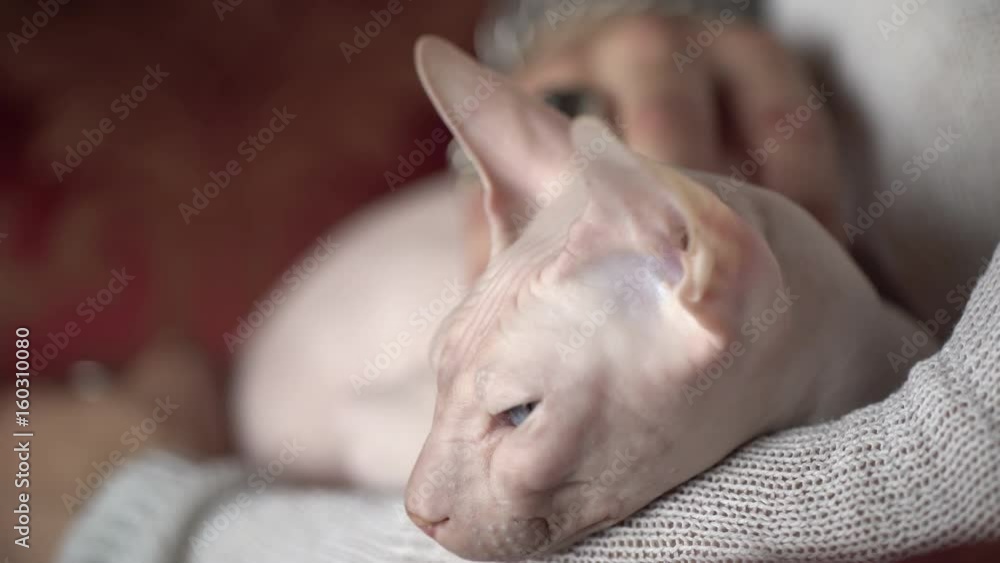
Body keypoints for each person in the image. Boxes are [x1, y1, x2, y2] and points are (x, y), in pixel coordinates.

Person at [8, 1, 998, 561]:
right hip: (298, 403)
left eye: (517, 414)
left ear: (700, 273)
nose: (422, 502)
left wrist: (154, 524)